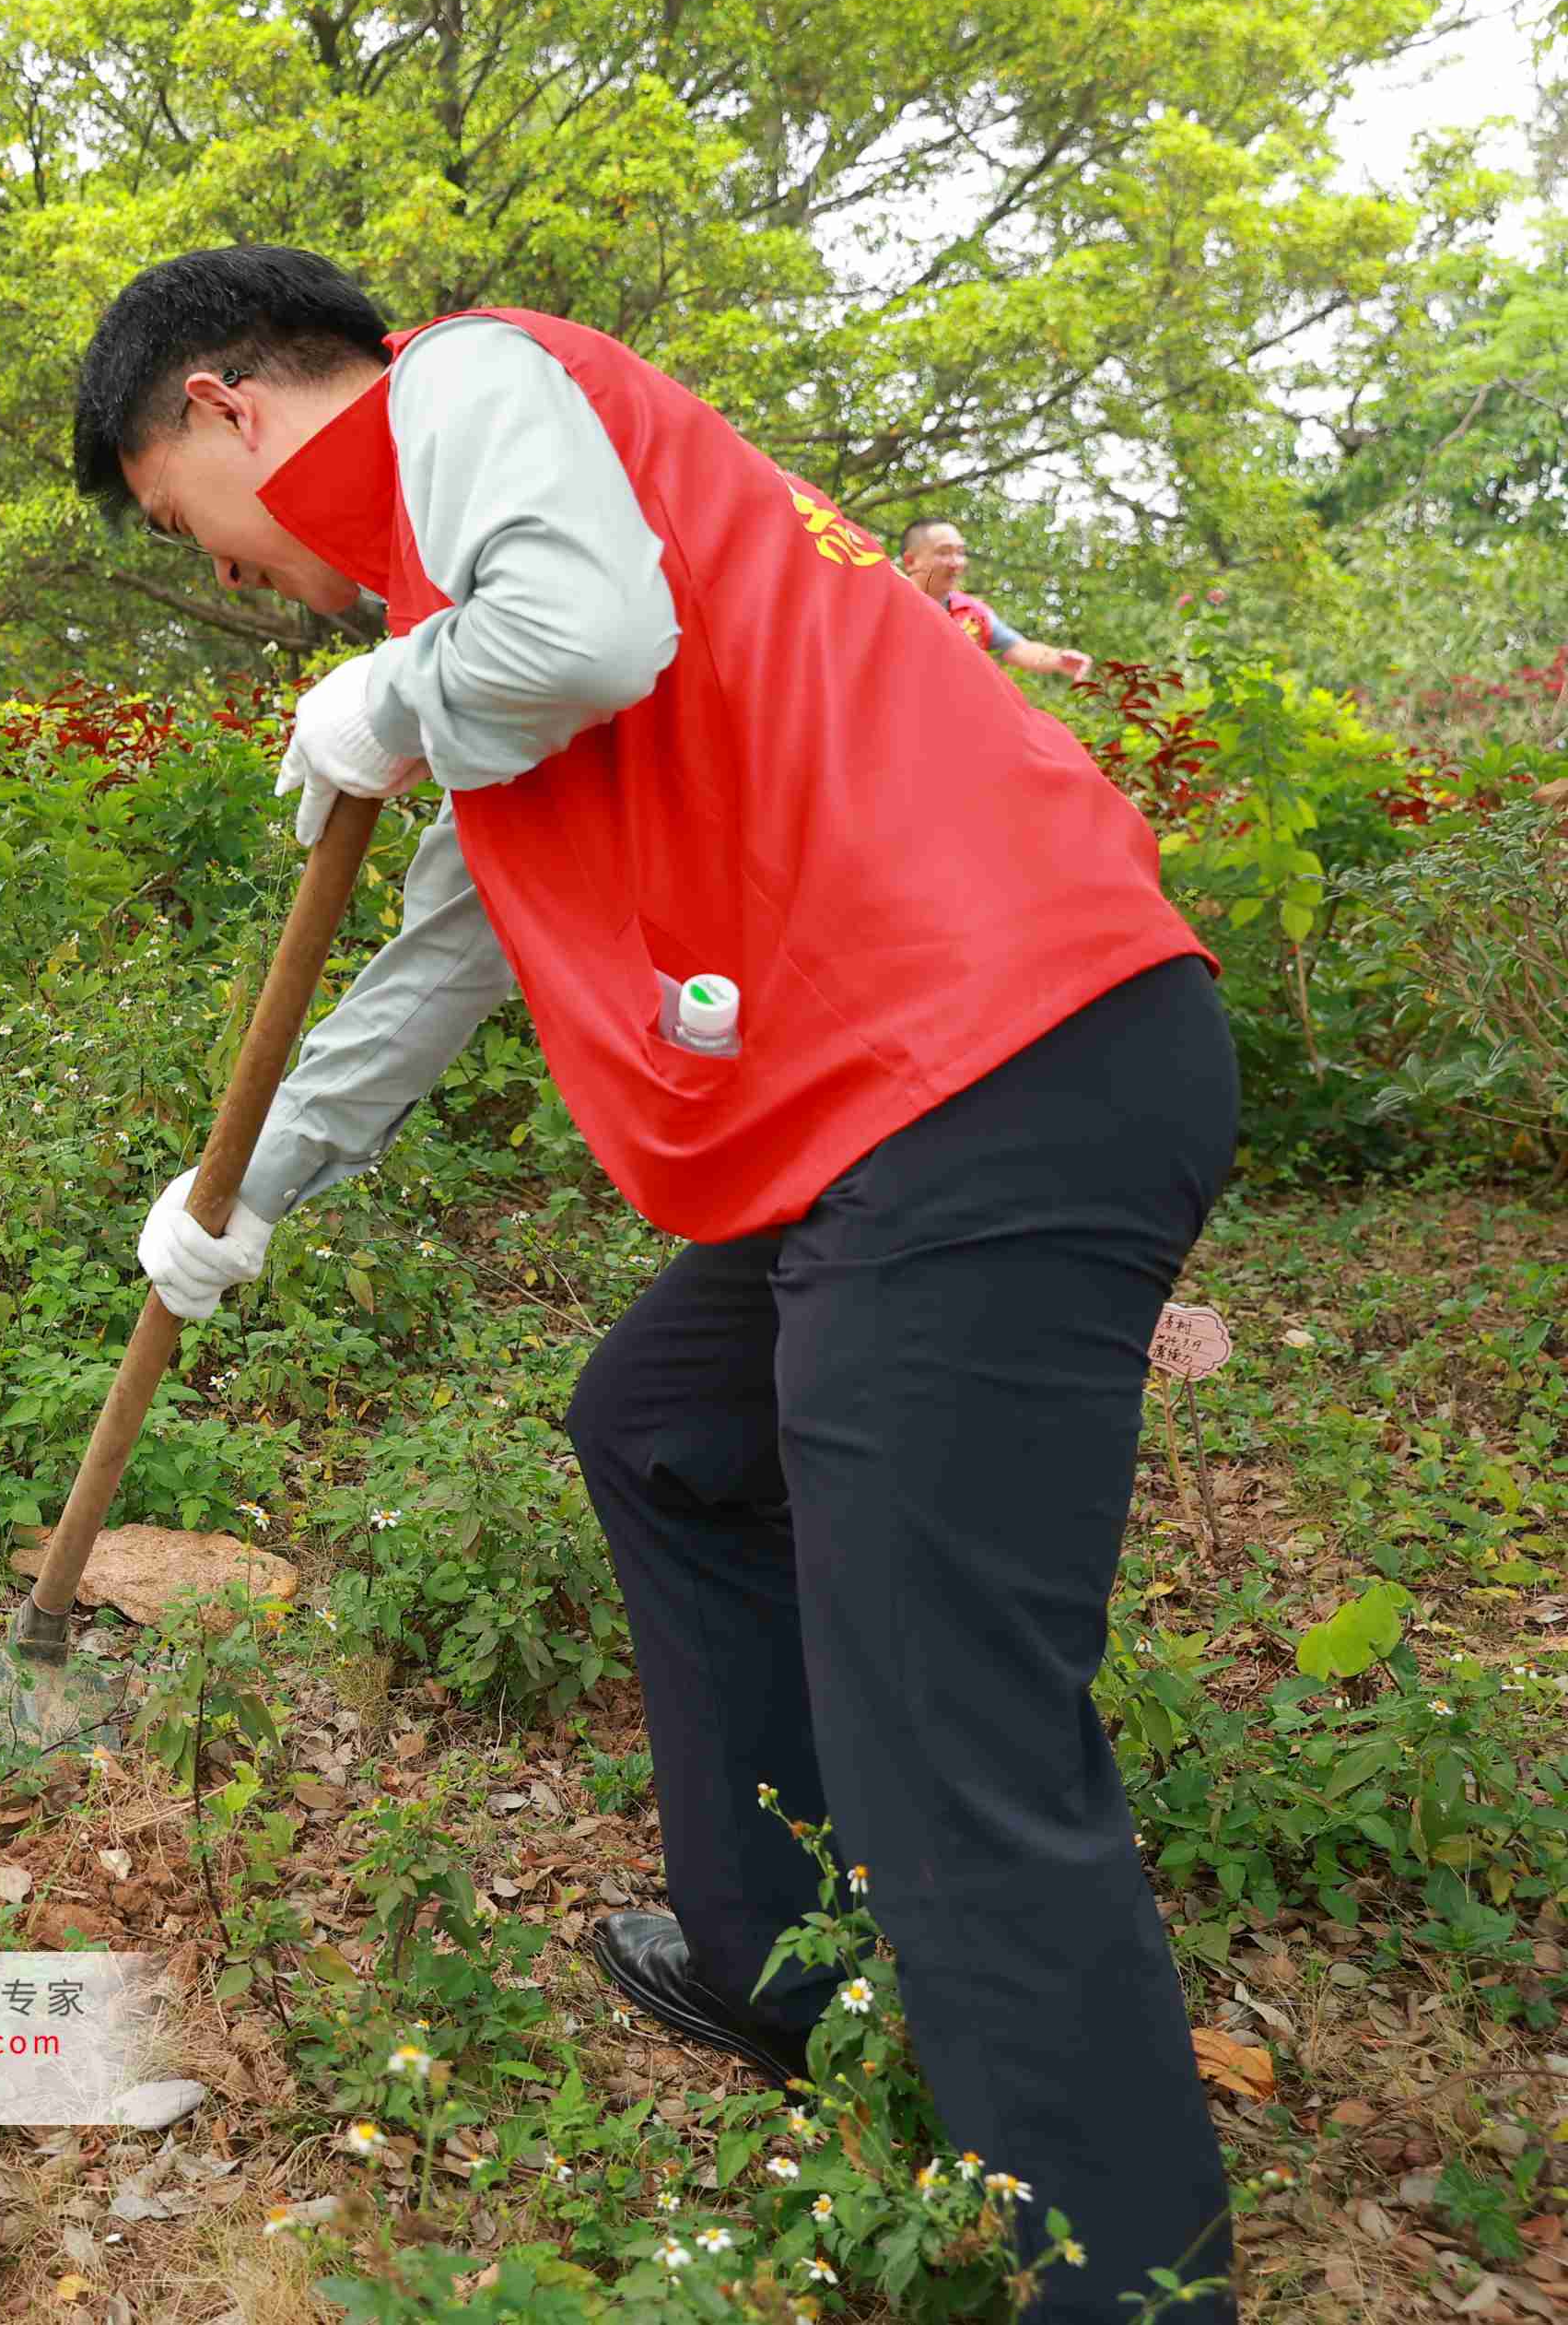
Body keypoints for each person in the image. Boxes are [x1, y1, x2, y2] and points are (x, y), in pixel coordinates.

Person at [67, 246, 1238, 2319]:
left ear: (230, 404)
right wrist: (243, 1188)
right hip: (894, 1104)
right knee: (668, 1428)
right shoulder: (467, 598)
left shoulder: (469, 385)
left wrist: (395, 696)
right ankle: (773, 1953)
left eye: (186, 520)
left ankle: (1121, 2280)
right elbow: (451, 938)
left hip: (991, 1064)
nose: (233, 578)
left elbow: (587, 633)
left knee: (948, 1726)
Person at [897, 516, 1094, 682]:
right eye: (943, 552)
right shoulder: (890, 603)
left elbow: (1019, 648)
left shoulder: (972, 613)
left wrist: (1057, 659)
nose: (956, 563)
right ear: (911, 561)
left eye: (960, 552)